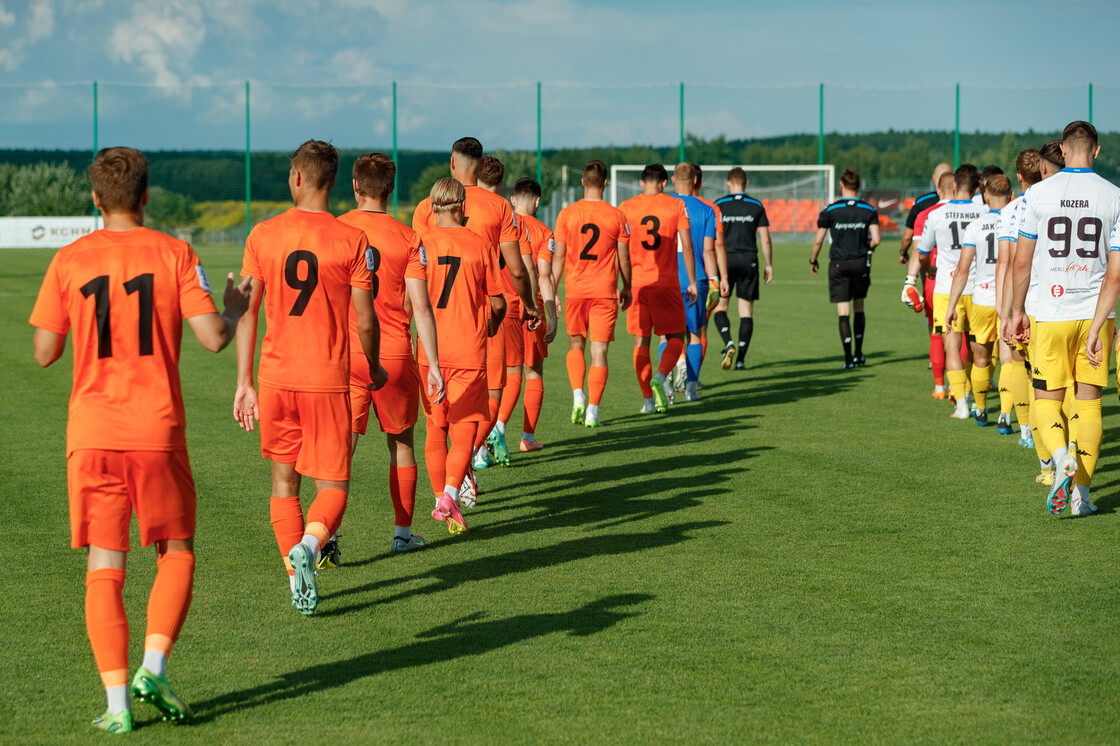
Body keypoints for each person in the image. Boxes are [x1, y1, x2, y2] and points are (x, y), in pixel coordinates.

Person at [30, 146, 249, 731]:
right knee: (175, 548)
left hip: (92, 431)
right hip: (155, 429)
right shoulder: (175, 252)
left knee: (105, 564)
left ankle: (117, 707)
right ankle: (154, 665)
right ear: (147, 197)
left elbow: (44, 352)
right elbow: (212, 339)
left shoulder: (70, 259)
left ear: (96, 200)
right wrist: (233, 307)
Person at [234, 140, 387, 617]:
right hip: (326, 378)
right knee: (334, 484)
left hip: (276, 377)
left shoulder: (262, 234)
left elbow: (244, 311)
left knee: (284, 484)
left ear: (297, 178)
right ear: (334, 182)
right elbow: (365, 320)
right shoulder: (351, 240)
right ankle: (310, 546)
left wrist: (244, 382)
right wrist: (376, 364)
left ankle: (295, 573)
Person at [338, 152, 445, 555]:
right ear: (392, 188)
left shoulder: (337, 229)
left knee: (340, 448)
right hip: (395, 353)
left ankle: (326, 537)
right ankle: (402, 534)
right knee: (401, 444)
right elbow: (421, 307)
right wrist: (433, 365)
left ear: (354, 186)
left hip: (345, 353)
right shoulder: (408, 236)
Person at [411, 138, 539, 472]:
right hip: (485, 315)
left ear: (452, 163)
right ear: (482, 167)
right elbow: (516, 268)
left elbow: (415, 273)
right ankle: (467, 462)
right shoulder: (500, 207)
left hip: (433, 325)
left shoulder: (427, 208)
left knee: (436, 420)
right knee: (492, 393)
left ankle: (449, 484)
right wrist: (530, 304)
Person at [1015, 121, 1120, 517]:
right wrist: (1098, 324)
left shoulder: (1037, 195)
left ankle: (1059, 457)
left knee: (1047, 398)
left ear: (1062, 148)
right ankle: (1083, 498)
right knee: (1090, 405)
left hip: (1050, 314)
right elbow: (1115, 272)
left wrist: (1014, 312)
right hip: (1095, 314)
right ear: (1096, 151)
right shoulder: (1114, 196)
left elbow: (1022, 262)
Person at [415, 178, 507, 533]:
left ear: (433, 206)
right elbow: (497, 300)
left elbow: (410, 300)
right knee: (465, 425)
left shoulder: (419, 242)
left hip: (429, 350)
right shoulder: (479, 244)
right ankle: (450, 493)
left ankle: (441, 496)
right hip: (468, 346)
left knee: (436, 427)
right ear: (462, 205)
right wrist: (493, 322)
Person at [553, 159, 632, 426]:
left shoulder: (567, 214)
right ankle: (593, 412)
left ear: (583, 182)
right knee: (599, 352)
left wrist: (552, 291)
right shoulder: (616, 215)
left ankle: (578, 397)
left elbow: (558, 258)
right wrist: (628, 287)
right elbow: (624, 258)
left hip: (575, 291)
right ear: (606, 183)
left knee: (576, 345)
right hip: (605, 293)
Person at [618, 164, 696, 413]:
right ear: (664, 183)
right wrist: (692, 282)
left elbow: (620, 252)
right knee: (677, 337)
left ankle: (648, 401)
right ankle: (661, 377)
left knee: (641, 343)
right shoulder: (675, 206)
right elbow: (687, 246)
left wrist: (624, 284)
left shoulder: (626, 208)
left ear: (642, 183)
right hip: (667, 283)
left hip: (638, 285)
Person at [476, 155, 538, 464]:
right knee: (512, 371)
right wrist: (533, 304)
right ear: (501, 183)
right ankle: (495, 430)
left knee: (473, 376)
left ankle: (467, 452)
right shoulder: (506, 213)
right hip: (505, 303)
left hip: (462, 307)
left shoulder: (456, 206)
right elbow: (523, 267)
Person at [918, 164, 986, 416]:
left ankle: (961, 404)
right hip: (978, 286)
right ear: (978, 188)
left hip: (948, 287)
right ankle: (971, 394)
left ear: (954, 185)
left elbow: (922, 253)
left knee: (952, 346)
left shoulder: (936, 214)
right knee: (977, 346)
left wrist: (929, 269)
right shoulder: (985, 212)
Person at [945, 174, 1013, 427]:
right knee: (1008, 360)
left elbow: (963, 270)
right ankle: (1006, 416)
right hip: (1010, 299)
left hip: (983, 298)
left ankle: (981, 409)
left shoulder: (975, 226)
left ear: (985, 196)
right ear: (1011, 196)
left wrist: (951, 306)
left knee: (981, 359)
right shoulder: (1016, 222)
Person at [810, 168, 881, 368]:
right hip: (860, 262)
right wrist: (866, 248)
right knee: (859, 307)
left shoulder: (831, 210)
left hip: (838, 264)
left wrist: (813, 259)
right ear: (858, 185)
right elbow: (876, 239)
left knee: (843, 311)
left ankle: (848, 359)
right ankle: (859, 354)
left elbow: (818, 240)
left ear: (841, 184)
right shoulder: (868, 210)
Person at [995, 149, 1042, 446]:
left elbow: (1007, 263)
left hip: (1023, 297)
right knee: (1043, 373)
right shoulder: (1052, 201)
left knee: (1015, 360)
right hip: (1053, 298)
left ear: (1020, 177)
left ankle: (1026, 430)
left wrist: (1006, 309)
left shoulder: (1010, 211)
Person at [510, 177, 558, 447]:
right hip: (531, 308)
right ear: (538, 202)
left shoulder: (501, 224)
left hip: (501, 304)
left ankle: (484, 441)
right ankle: (527, 437)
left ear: (513, 200)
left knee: (500, 374)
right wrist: (550, 313)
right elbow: (544, 276)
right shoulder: (544, 232)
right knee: (533, 371)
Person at [669, 163, 721, 401]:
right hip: (696, 278)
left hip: (666, 279)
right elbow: (710, 251)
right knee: (695, 334)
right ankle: (691, 389)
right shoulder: (707, 210)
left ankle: (667, 385)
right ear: (695, 180)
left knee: (666, 335)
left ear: (672, 180)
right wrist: (715, 280)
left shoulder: (664, 206)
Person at [713, 167, 773, 370]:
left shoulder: (719, 205)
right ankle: (740, 359)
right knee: (746, 312)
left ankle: (728, 342)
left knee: (720, 307)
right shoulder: (756, 205)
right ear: (746, 184)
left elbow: (712, 238)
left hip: (725, 260)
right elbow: (765, 238)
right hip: (749, 259)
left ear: (728, 183)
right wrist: (769, 264)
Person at [904, 171, 955, 398]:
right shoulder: (973, 212)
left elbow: (918, 251)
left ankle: (939, 387)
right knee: (959, 334)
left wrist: (911, 280)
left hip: (934, 281)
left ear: (937, 190)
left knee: (937, 334)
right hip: (964, 282)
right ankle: (958, 386)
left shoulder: (926, 214)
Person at [690, 164, 729, 373]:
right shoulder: (711, 208)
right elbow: (717, 245)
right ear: (699, 182)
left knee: (674, 331)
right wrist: (722, 277)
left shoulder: (670, 204)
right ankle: (691, 380)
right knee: (699, 330)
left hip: (673, 276)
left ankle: (677, 369)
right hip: (703, 275)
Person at [900, 162, 952, 266]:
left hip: (928, 259)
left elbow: (907, 236)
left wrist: (903, 253)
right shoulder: (963, 204)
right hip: (954, 260)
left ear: (934, 177)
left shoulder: (921, 202)